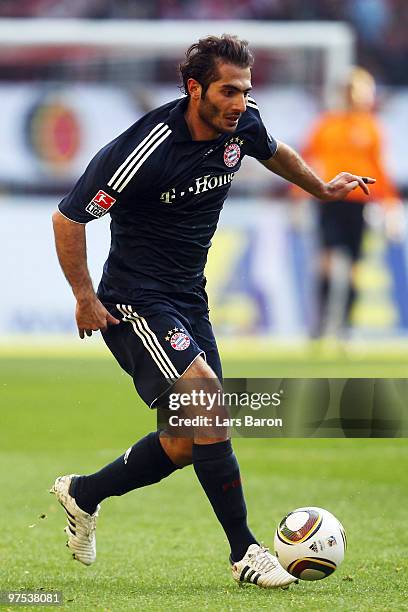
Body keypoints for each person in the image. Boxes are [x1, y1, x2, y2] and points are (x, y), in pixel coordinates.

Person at [51, 35, 374, 589]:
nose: (240, 103)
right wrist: (85, 297)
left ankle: (84, 493)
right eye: (228, 91)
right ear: (194, 88)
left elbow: (273, 151)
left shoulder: (241, 124)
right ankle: (245, 551)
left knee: (185, 440)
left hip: (188, 298)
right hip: (134, 299)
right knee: (208, 398)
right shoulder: (146, 147)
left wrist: (321, 188)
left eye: (246, 92)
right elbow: (69, 218)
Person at [298, 67, 401, 337]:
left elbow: (379, 170)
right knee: (327, 260)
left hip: (359, 201)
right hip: (329, 197)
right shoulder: (327, 124)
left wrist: (390, 205)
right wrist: (297, 195)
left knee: (354, 264)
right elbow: (302, 161)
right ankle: (320, 326)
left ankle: (345, 326)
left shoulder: (371, 128)